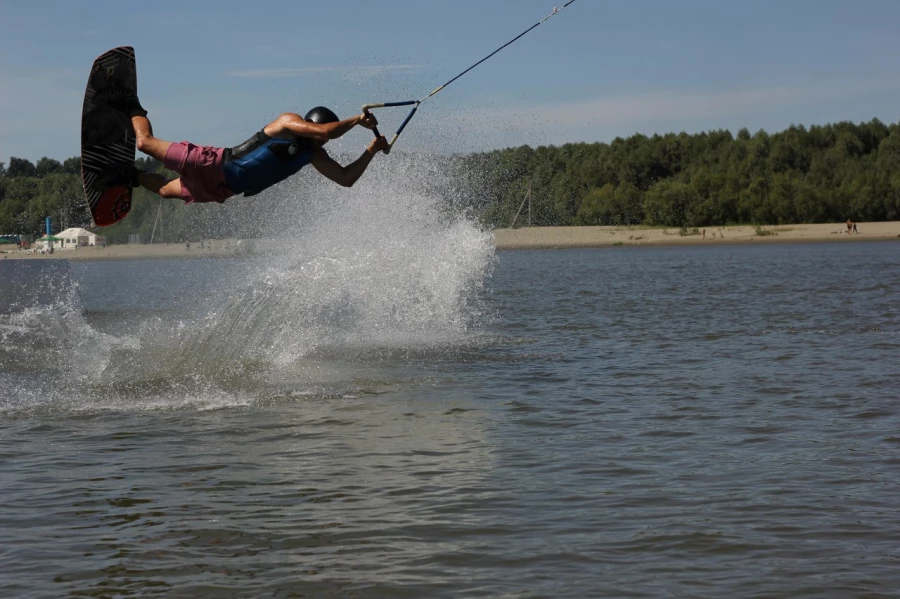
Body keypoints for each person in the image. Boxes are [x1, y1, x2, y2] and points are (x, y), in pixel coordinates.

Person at [108, 96, 389, 205]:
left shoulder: (313, 155)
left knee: (164, 190)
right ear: (309, 125)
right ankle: (131, 106)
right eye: (319, 138)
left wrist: (372, 149)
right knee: (144, 143)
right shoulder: (288, 122)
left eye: (323, 143)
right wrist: (356, 119)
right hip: (213, 163)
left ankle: (130, 176)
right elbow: (327, 132)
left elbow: (345, 178)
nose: (323, 143)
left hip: (223, 189)